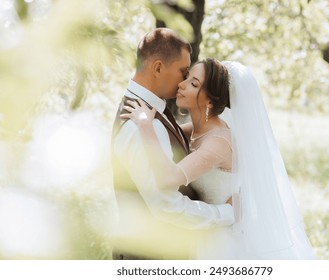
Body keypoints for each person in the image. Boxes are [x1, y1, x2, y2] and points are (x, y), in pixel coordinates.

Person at [123, 58, 316, 259]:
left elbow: (168, 178)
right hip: (204, 228)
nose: (182, 84)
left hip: (222, 238)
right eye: (187, 77)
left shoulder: (218, 142)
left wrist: (146, 125)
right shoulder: (195, 131)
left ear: (210, 101)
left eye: (194, 84)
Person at [111, 29, 235, 260]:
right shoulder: (142, 124)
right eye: (183, 72)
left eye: (191, 78)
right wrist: (226, 213)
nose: (182, 82)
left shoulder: (153, 113)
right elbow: (166, 206)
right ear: (158, 68)